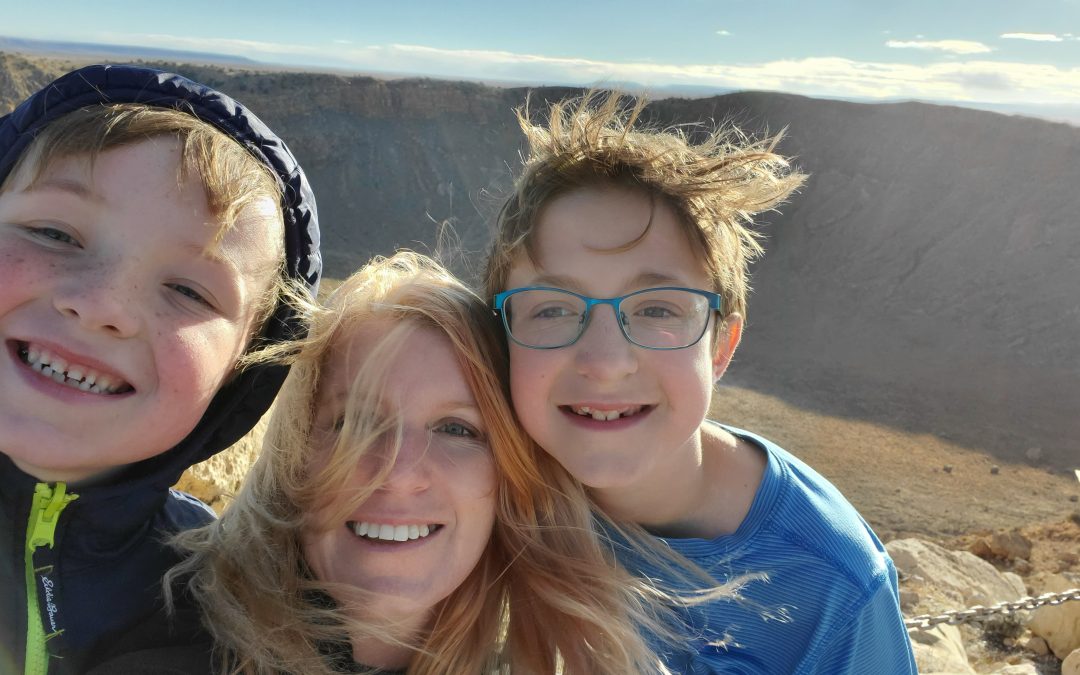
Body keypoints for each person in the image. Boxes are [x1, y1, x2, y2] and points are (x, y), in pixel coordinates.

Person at [483, 91, 918, 673]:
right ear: (502, 338)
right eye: (553, 309)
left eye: (657, 309)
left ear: (722, 347)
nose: (605, 362)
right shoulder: (472, 495)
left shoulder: (831, 585)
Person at [160, 251, 673, 674]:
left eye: (457, 429)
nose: (399, 474)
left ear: (510, 478)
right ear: (296, 454)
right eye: (356, 422)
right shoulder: (157, 623)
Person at [0, 64, 321, 674]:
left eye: (188, 291)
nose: (101, 306)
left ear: (241, 375)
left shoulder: (221, 610)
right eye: (53, 234)